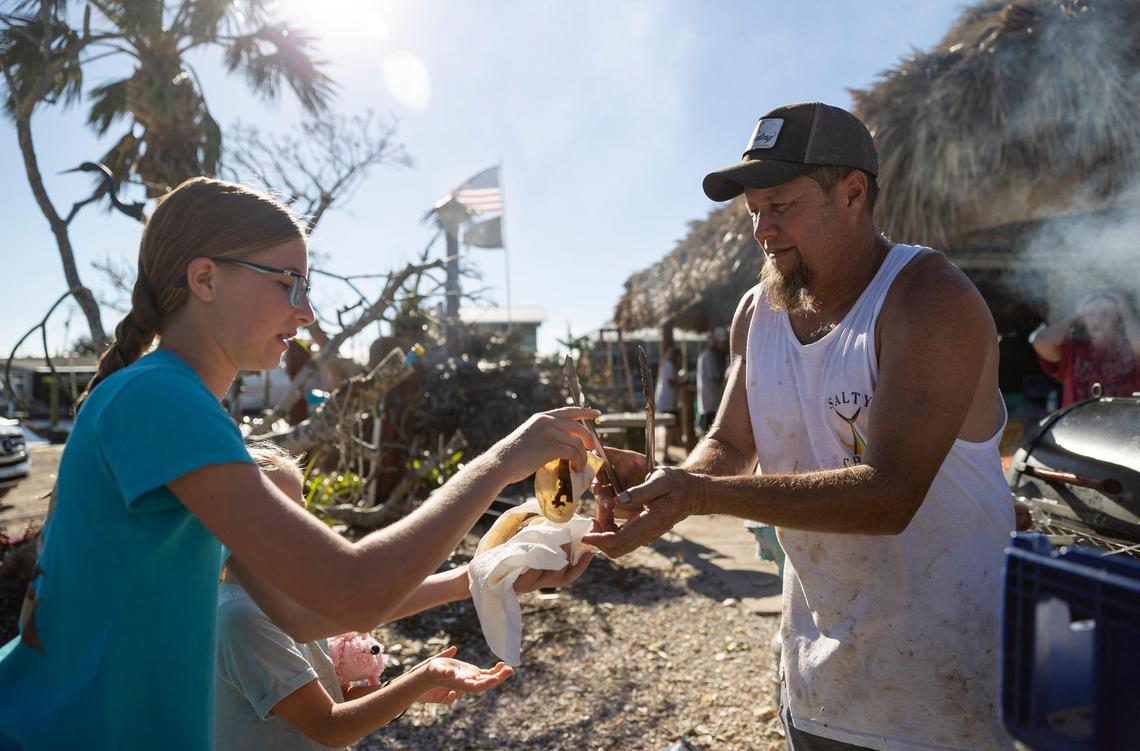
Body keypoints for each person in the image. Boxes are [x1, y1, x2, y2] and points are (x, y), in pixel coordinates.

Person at [0, 177, 598, 750]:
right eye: (289, 283)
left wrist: (482, 575)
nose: (306, 311)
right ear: (204, 278)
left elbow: (303, 614)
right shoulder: (160, 398)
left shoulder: (177, 406)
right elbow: (352, 587)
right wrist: (501, 460)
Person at [584, 102, 1014, 750]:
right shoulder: (757, 312)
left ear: (852, 194)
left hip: (942, 693)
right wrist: (660, 481)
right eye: (754, 210)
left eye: (780, 206)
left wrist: (700, 495)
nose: (763, 230)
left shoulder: (928, 300)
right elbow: (729, 444)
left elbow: (890, 494)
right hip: (815, 677)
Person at [217, 442, 589, 750]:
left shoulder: (278, 605)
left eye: (301, 510)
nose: (302, 525)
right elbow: (329, 726)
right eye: (282, 513)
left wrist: (402, 691)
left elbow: (329, 703)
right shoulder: (244, 619)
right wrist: (423, 677)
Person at [1029, 291, 1140, 406]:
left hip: (1125, 422)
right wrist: (1075, 315)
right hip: (1079, 423)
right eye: (1091, 314)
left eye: (1105, 314)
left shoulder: (1130, 350)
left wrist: (1127, 313)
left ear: (1118, 320)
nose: (1097, 320)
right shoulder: (1074, 351)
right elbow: (1041, 343)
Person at [696, 327, 729, 432]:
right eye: (722, 343)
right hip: (711, 403)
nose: (724, 345)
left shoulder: (715, 355)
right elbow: (716, 379)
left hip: (713, 402)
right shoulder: (709, 356)